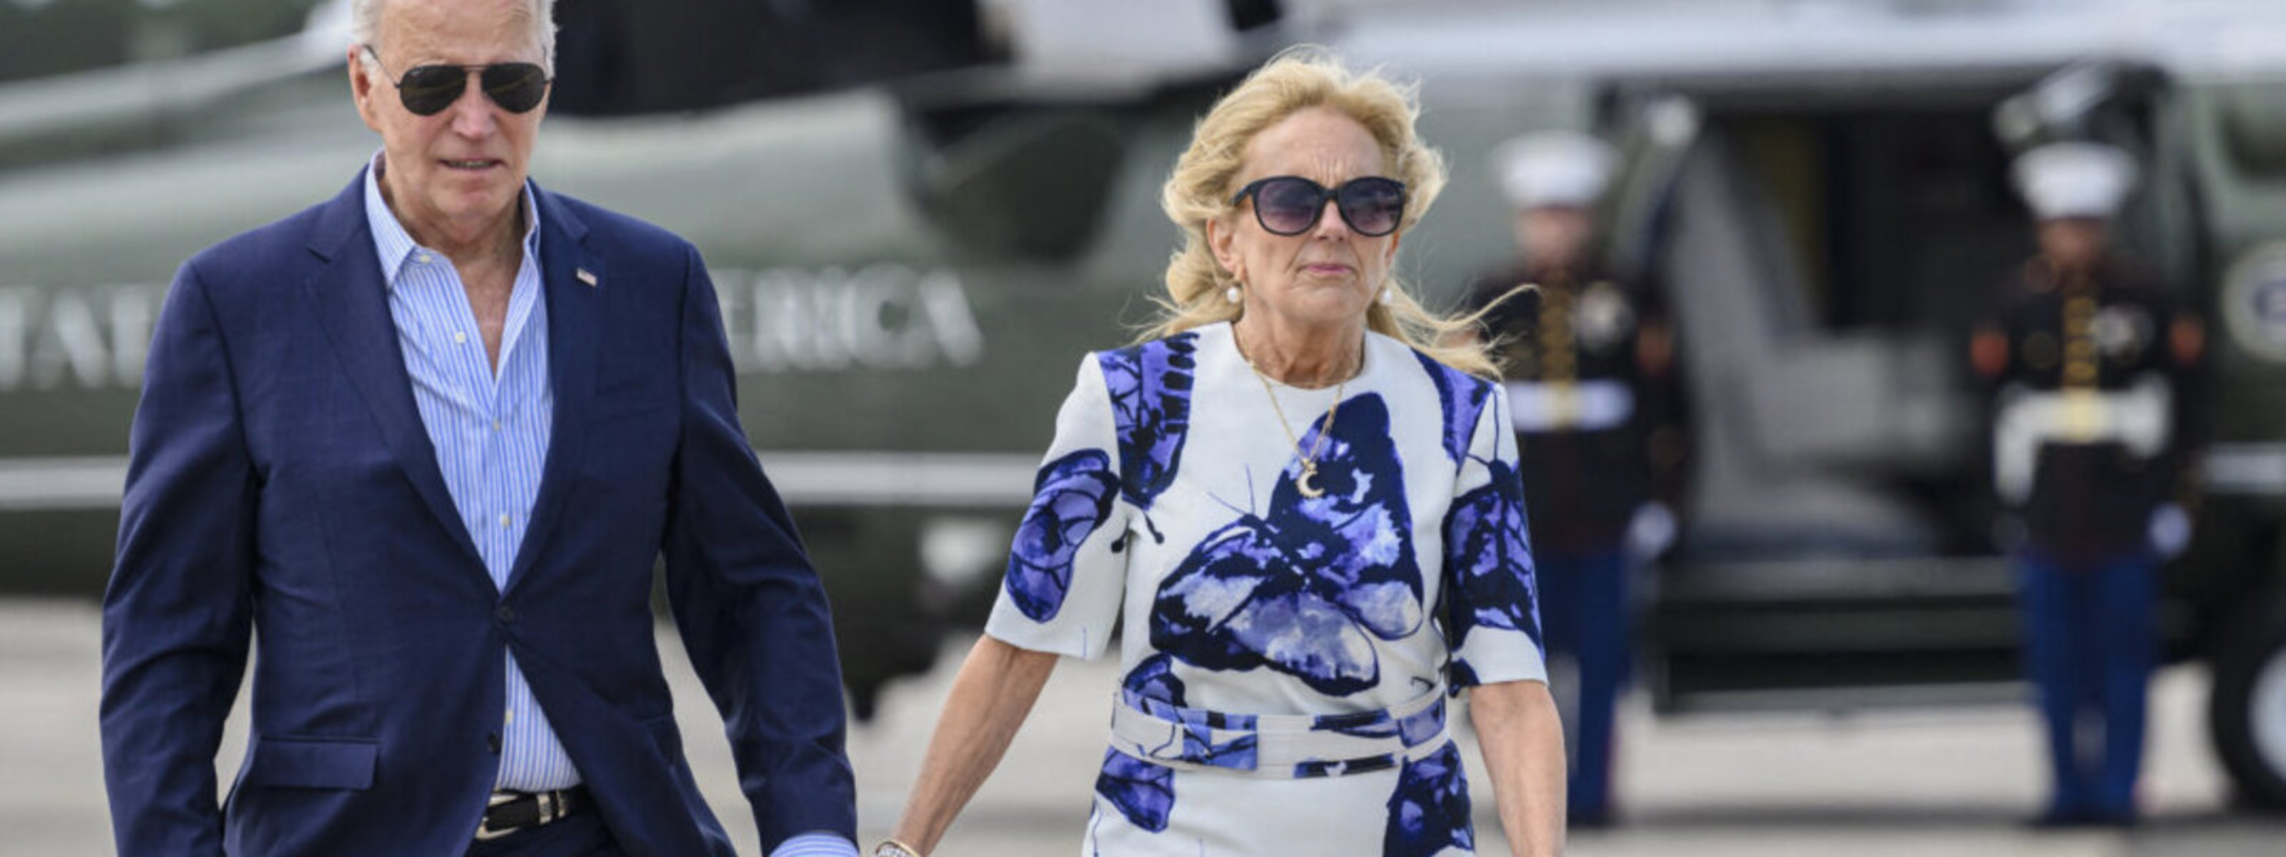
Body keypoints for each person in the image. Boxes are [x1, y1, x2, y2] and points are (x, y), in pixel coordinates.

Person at [97, 1, 858, 854]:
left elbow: (753, 591)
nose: (475, 120)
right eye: (432, 85)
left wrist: (812, 833)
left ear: (547, 84)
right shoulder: (236, 304)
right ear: (365, 87)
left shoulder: (655, 284)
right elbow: (165, 644)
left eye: (510, 82)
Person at [874, 51, 1566, 857]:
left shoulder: (1460, 415)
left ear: (1393, 237)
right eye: (1291, 201)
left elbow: (1511, 689)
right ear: (1226, 240)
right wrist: (905, 848)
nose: (1332, 226)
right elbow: (1019, 648)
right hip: (1172, 830)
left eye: (1368, 202)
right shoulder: (1132, 399)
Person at [1971, 140, 2204, 828]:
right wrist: (2003, 503)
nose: (2073, 238)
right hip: (2048, 510)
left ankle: (2119, 790)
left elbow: (2188, 405)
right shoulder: (2018, 302)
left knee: (2122, 663)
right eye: (2061, 226)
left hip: (2124, 509)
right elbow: (1991, 407)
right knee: (2056, 666)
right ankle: (2067, 790)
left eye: (2084, 225)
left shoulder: (2146, 298)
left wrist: (2173, 499)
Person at [1456, 131, 1686, 828]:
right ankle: (1533, 795)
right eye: (1542, 215)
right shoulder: (1492, 295)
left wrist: (1662, 496)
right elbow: (1465, 410)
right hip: (1523, 510)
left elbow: (1665, 402)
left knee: (1602, 657)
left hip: (1606, 503)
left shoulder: (1629, 290)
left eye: (1567, 215)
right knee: (1520, 663)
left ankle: (1590, 793)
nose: (1554, 229)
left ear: (1586, 220)